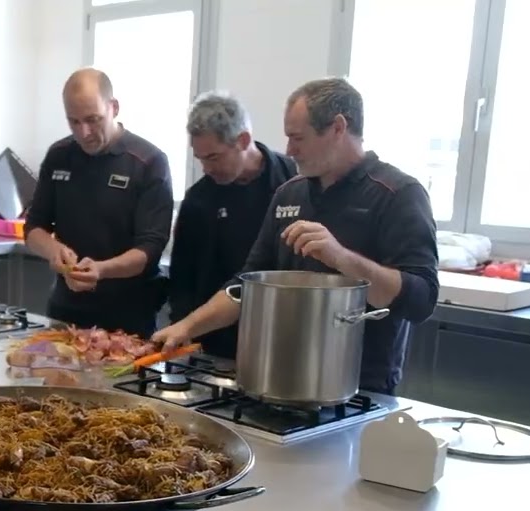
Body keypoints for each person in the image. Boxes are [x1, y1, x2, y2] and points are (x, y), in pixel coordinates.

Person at [154, 77, 439, 394]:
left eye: (297, 138)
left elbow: (421, 300)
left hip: (359, 388)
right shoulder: (290, 194)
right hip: (279, 378)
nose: (289, 150)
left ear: (337, 128)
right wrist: (186, 328)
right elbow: (247, 282)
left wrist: (341, 258)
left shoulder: (398, 194)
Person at [23, 68, 175, 337]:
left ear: (114, 108)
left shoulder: (149, 161)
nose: (85, 132)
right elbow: (34, 227)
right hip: (65, 310)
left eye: (93, 120)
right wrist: (53, 250)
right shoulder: (59, 155)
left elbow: (150, 249)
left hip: (127, 317)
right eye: (74, 122)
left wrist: (102, 270)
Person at [168, 91, 297, 359]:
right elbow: (182, 281)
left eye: (213, 157)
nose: (206, 168)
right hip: (215, 343)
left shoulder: (293, 182)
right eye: (200, 158)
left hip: (281, 337)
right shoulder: (198, 200)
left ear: (243, 140)